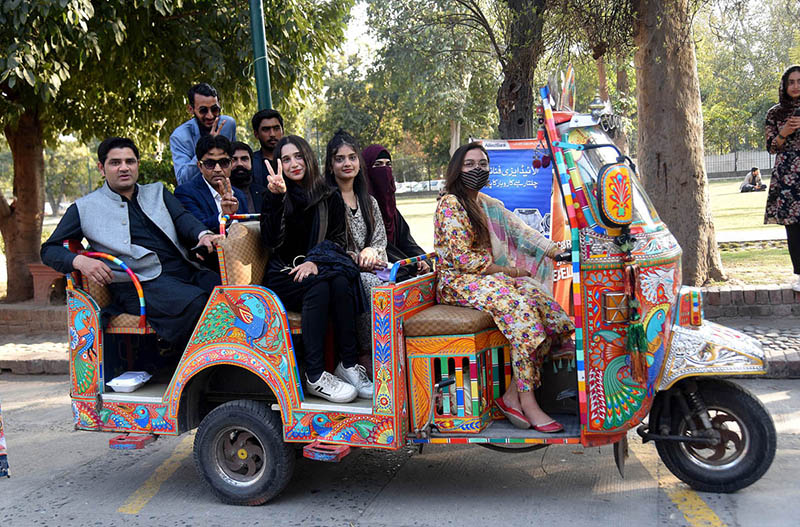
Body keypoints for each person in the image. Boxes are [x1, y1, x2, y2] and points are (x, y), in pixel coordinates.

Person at [434, 142, 574, 432]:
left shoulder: (485, 203)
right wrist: (508, 271)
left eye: (482, 164)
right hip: (457, 281)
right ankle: (528, 400)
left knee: (542, 301)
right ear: (457, 169)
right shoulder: (451, 204)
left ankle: (510, 395)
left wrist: (555, 251)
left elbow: (519, 230)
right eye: (469, 164)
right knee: (522, 312)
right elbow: (462, 259)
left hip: (485, 278)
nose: (477, 169)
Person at [41, 137, 222, 350]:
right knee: (198, 303)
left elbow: (182, 218)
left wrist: (202, 234)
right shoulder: (85, 208)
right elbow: (48, 250)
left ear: (137, 164)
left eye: (130, 161)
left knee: (226, 293)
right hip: (139, 284)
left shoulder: (157, 192)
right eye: (115, 163)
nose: (124, 168)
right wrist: (80, 261)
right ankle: (194, 370)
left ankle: (226, 363)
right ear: (101, 168)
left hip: (184, 270)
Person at [261, 135, 373, 403]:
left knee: (340, 280)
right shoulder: (275, 195)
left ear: (308, 158)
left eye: (298, 156)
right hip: (284, 272)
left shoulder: (328, 195)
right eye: (285, 159)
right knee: (321, 284)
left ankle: (347, 364)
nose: (293, 164)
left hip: (317, 266)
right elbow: (271, 242)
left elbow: (336, 240)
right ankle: (314, 375)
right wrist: (276, 200)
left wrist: (315, 261)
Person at [325, 132, 388, 361]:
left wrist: (372, 251)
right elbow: (328, 243)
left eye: (352, 157)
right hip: (345, 270)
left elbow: (380, 240)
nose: (347, 163)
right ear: (331, 166)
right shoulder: (328, 200)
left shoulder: (369, 201)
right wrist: (356, 258)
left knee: (400, 280)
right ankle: (369, 354)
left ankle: (398, 351)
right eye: (339, 159)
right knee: (370, 284)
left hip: (374, 264)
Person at [362, 144, 430, 272]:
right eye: (378, 165)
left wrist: (421, 260)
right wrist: (411, 265)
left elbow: (408, 243)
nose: (385, 170)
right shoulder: (362, 208)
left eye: (388, 165)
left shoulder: (392, 211)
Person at [765, 65, 800, 292]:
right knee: (794, 228)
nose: (796, 86)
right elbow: (771, 147)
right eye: (791, 82)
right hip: (788, 175)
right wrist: (783, 133)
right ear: (785, 86)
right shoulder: (775, 113)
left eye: (799, 81)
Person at [174, 135, 248, 233]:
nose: (217, 169)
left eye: (223, 162)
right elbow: (196, 229)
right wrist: (224, 216)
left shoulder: (238, 195)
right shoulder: (186, 193)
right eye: (210, 164)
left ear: (231, 164)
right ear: (200, 166)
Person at [170, 83, 237, 185]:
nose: (210, 116)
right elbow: (183, 180)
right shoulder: (180, 136)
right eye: (203, 110)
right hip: (197, 192)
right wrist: (207, 145)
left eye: (214, 109)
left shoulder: (228, 125)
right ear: (191, 109)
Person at [230, 141, 267, 214]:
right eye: (234, 159)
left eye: (244, 159)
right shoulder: (219, 194)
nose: (239, 164)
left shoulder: (263, 193)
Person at [251, 109, 284, 189]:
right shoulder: (251, 163)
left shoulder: (293, 161)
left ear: (283, 131)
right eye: (266, 129)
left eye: (276, 128)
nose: (272, 134)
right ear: (256, 134)